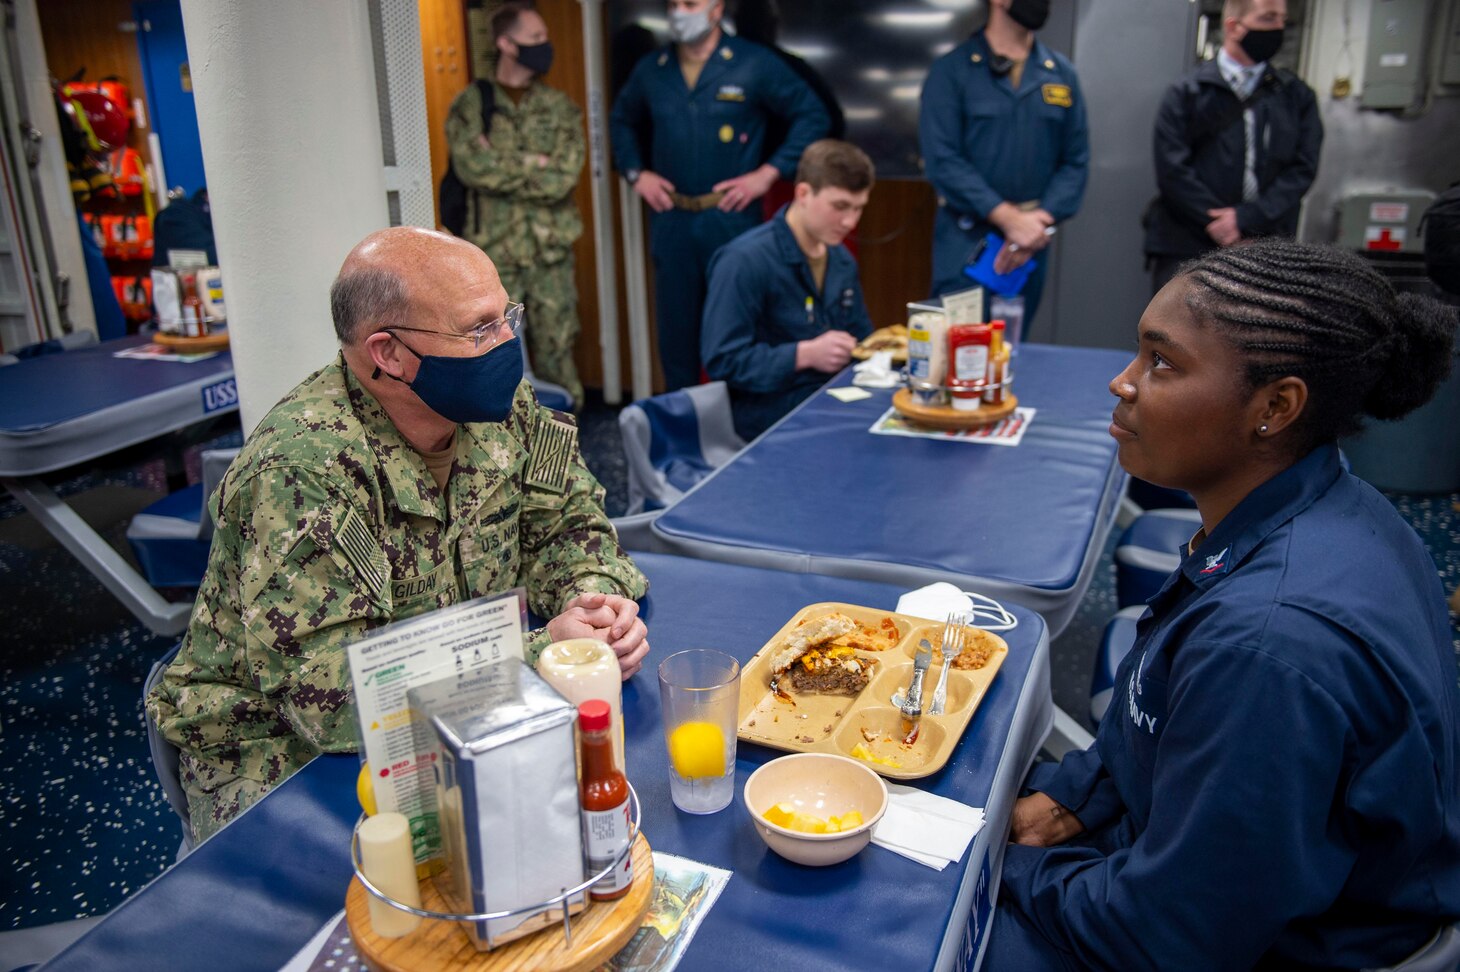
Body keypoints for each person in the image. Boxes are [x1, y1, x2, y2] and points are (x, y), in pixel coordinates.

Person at [987, 238, 1460, 970]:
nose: (1124, 382)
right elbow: (1164, 707)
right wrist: (1077, 796)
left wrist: (995, 868)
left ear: (1275, 407)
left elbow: (1165, 937)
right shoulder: (1316, 505)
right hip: (1196, 878)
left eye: (1162, 362)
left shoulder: (1268, 645)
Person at [147, 228, 650, 842]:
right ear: (388, 353)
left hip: (468, 713)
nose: (508, 344)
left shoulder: (505, 409)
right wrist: (543, 654)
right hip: (284, 757)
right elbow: (331, 703)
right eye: (479, 329)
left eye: (505, 317)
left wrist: (593, 602)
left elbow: (571, 523)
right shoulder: (302, 473)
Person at [609, 0, 829, 391]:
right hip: (673, 220)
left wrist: (767, 174)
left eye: (690, 3)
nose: (679, 11)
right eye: (673, 4)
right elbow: (622, 119)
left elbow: (813, 114)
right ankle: (684, 430)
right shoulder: (654, 69)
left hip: (730, 220)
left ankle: (740, 425)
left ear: (715, 9)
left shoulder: (752, 62)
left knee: (738, 329)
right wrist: (635, 173)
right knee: (677, 336)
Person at [446, 1, 587, 408]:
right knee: (495, 357)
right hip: (495, 258)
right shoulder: (472, 105)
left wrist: (505, 164)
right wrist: (534, 164)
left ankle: (567, 453)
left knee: (559, 349)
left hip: (550, 256)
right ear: (507, 44)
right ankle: (503, 455)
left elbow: (563, 177)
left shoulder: (559, 108)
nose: (545, 46)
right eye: (535, 39)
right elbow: (473, 168)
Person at [919, 0, 1088, 330]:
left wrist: (1038, 223)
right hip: (967, 242)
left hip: (1030, 245)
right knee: (957, 353)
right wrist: (1008, 219)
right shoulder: (952, 71)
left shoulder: (1061, 73)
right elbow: (943, 160)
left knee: (1011, 354)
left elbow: (1075, 162)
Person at [1143, 0, 1322, 295]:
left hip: (1265, 246)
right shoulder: (1188, 92)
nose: (1279, 27)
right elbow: (1172, 168)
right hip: (1187, 242)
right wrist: (1216, 221)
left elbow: (1303, 168)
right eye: (1268, 18)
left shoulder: (1295, 96)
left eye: (1282, 19)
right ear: (1234, 27)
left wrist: (1246, 219)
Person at [701, 139, 873, 441]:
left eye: (859, 209)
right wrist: (802, 354)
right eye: (840, 207)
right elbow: (723, 361)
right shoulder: (744, 261)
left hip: (831, 400)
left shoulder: (841, 260)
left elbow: (862, 339)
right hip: (766, 415)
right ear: (803, 193)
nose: (850, 221)